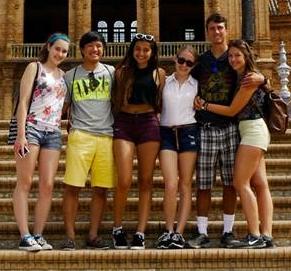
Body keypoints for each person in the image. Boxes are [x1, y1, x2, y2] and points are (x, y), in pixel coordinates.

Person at [188, 13, 264, 248]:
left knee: (230, 182)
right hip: (206, 126)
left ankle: (228, 231)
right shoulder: (201, 61)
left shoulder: (233, 59)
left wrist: (262, 78)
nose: (216, 32)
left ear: (226, 30)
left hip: (231, 128)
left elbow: (255, 74)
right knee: (203, 183)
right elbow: (186, 81)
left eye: (220, 28)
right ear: (207, 32)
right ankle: (202, 231)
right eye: (212, 28)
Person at [12, 33, 70, 251]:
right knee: (25, 182)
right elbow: (23, 101)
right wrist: (21, 134)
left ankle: (38, 234)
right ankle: (24, 235)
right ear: (48, 47)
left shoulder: (64, 76)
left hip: (53, 132)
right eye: (57, 49)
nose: (60, 54)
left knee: (47, 185)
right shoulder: (34, 67)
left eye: (64, 51)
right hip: (32, 129)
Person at [61, 30, 116, 250]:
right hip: (80, 135)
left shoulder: (112, 73)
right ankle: (69, 236)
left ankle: (93, 235)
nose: (95, 49)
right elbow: (62, 107)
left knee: (101, 189)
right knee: (72, 187)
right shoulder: (70, 75)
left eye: (99, 46)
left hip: (106, 136)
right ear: (82, 49)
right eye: (91, 45)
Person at [111, 33, 165, 250]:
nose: (141, 53)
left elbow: (162, 102)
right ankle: (117, 228)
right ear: (132, 50)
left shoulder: (160, 73)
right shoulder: (121, 72)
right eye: (138, 49)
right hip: (124, 122)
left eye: (146, 50)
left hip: (148, 123)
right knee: (124, 179)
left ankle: (140, 232)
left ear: (152, 52)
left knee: (145, 180)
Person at [157, 45, 198, 250]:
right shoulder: (164, 82)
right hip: (166, 132)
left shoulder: (197, 85)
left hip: (188, 131)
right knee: (171, 183)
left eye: (189, 63)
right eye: (181, 60)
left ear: (194, 66)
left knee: (185, 184)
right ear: (175, 59)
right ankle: (168, 230)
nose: (184, 65)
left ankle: (179, 232)